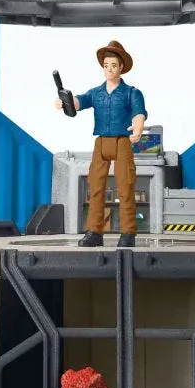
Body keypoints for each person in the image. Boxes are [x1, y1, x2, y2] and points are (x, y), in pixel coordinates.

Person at [54, 40, 146, 248]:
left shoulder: (131, 92)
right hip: (101, 142)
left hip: (122, 142)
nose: (109, 69)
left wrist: (138, 125)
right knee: (95, 186)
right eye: (106, 65)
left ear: (121, 67)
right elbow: (81, 101)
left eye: (113, 65)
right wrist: (66, 102)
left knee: (125, 186)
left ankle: (128, 233)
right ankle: (94, 231)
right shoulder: (97, 92)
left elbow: (139, 111)